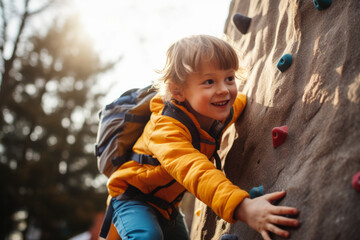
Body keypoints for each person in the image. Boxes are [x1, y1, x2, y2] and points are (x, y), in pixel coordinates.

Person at [104, 35, 299, 240]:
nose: (224, 90)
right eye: (209, 81)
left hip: (167, 208)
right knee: (147, 236)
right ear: (177, 91)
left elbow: (240, 102)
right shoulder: (165, 130)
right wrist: (243, 207)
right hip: (132, 199)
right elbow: (194, 170)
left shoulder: (216, 111)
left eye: (229, 78)